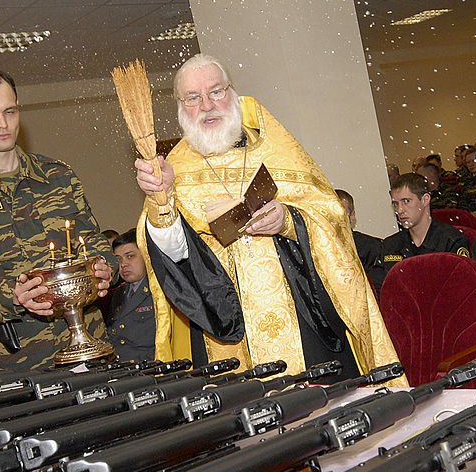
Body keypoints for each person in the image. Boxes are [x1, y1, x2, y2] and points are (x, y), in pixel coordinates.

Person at [133, 54, 403, 383]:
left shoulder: (278, 150)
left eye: (216, 91)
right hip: (224, 325)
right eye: (193, 97)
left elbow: (331, 216)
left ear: (232, 93)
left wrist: (288, 221)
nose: (207, 105)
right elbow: (174, 258)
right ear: (179, 106)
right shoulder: (173, 173)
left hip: (302, 312)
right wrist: (161, 202)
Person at [0, 67, 114, 370]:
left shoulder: (57, 175)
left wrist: (105, 267)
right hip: (25, 360)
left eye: (10, 111)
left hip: (91, 343)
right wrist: (12, 295)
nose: (3, 124)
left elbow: (93, 239)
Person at [377, 173, 469, 281]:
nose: (400, 210)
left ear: (425, 200)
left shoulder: (452, 241)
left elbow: (462, 286)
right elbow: (383, 290)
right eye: (395, 204)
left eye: (406, 201)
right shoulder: (390, 245)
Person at [107, 229, 155, 362]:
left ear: (146, 255)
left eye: (130, 256)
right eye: (119, 259)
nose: (123, 264)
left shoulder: (159, 291)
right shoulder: (119, 293)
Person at [335, 189, 382, 274]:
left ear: (352, 215)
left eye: (341, 214)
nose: (336, 220)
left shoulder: (371, 248)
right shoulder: (313, 249)